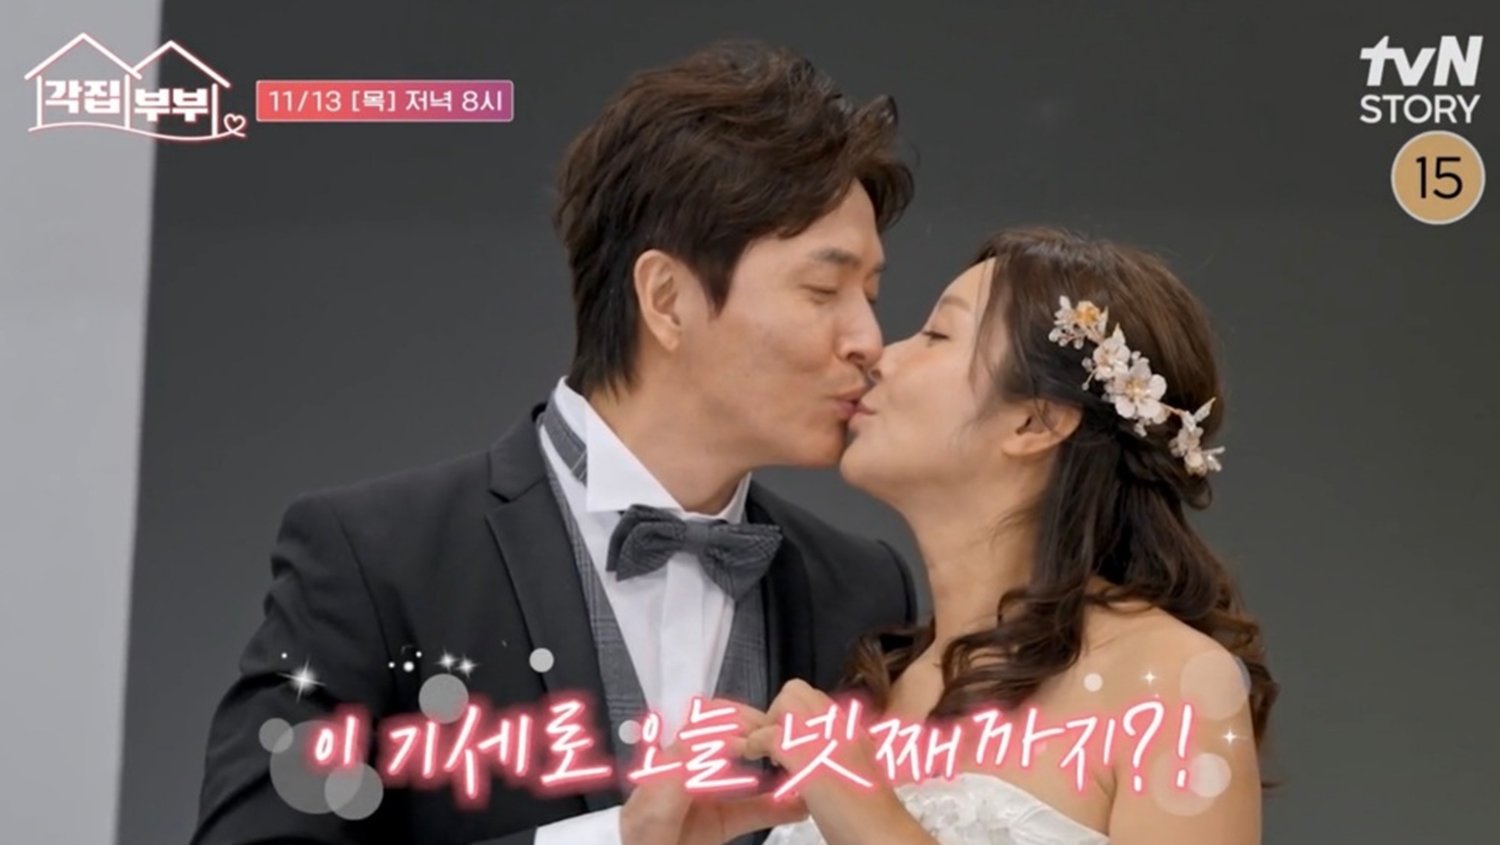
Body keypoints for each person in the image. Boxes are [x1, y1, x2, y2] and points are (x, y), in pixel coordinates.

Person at [190, 40, 918, 845]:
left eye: (871, 293)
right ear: (666, 298)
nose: (869, 338)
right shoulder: (378, 560)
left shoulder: (863, 591)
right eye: (823, 288)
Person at [744, 227, 1278, 845]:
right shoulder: (872, 684)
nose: (881, 356)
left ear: (1035, 421)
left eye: (937, 334)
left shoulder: (1168, 683)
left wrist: (867, 815)